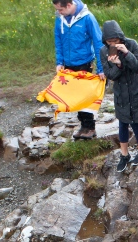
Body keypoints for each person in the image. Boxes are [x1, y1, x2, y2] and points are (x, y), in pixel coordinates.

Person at [101, 21, 138, 173]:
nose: (113, 44)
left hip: (136, 90)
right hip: (120, 92)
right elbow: (110, 76)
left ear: (120, 38)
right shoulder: (104, 51)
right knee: (122, 123)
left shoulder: (132, 44)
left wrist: (126, 54)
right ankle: (124, 155)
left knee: (136, 122)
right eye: (110, 42)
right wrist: (117, 65)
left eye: (115, 41)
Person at [52, 0, 106, 140]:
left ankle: (90, 127)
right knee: (75, 96)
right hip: (68, 65)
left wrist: (101, 68)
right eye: (57, 10)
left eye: (60, 9)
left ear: (69, 5)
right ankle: (83, 125)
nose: (58, 12)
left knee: (84, 97)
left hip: (84, 63)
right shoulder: (60, 19)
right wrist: (60, 61)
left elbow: (98, 42)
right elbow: (58, 40)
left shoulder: (87, 17)